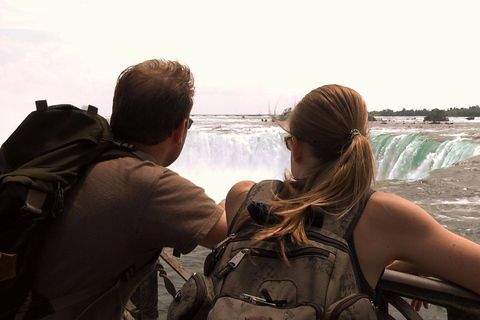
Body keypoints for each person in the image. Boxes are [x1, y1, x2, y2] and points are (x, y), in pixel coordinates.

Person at [225, 84, 480, 310]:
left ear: (299, 148)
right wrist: (417, 263)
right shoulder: (382, 217)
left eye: (290, 141)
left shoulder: (244, 197)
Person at [21, 59, 227, 319]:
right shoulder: (151, 185)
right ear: (180, 129)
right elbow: (232, 232)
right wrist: (233, 199)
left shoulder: (82, 155)